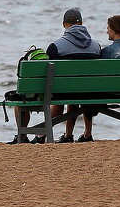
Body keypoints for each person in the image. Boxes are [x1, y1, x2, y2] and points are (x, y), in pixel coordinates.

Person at [9, 8, 100, 144]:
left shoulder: (56, 47)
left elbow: (48, 76)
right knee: (75, 92)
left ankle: (38, 135)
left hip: (60, 93)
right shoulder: (96, 47)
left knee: (62, 91)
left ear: (64, 24)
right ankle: (67, 135)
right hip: (86, 93)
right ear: (81, 23)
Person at [60, 14, 120, 143]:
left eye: (108, 27)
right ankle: (86, 135)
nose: (106, 30)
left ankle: (71, 135)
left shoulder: (108, 51)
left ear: (114, 29)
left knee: (79, 90)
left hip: (109, 93)